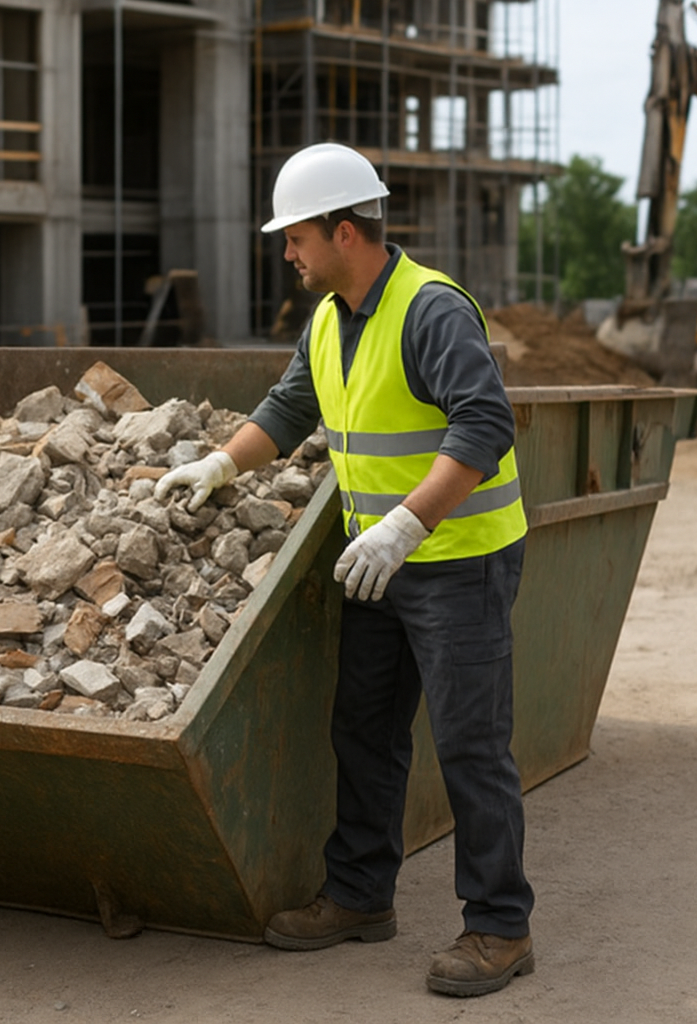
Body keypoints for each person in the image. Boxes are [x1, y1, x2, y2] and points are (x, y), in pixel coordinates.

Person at [157, 143, 534, 998]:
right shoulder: (330, 317)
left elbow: (484, 424)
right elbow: (291, 408)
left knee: (472, 748)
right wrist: (219, 466)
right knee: (362, 730)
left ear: (342, 230)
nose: (287, 252)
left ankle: (501, 927)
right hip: (381, 566)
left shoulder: (430, 310)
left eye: (295, 236)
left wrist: (405, 525)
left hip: (457, 560)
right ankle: (361, 897)